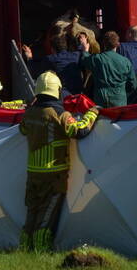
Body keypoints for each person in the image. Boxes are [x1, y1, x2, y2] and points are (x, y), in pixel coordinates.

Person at [19, 71, 100, 251]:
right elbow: (80, 131)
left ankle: (24, 249)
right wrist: (92, 113)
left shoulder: (29, 113)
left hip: (33, 173)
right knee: (46, 216)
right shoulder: (60, 114)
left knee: (32, 213)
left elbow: (23, 130)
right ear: (57, 90)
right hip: (53, 174)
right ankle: (41, 251)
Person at [80, 31, 137, 107]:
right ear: (118, 44)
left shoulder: (98, 59)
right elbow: (132, 84)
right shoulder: (126, 62)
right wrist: (121, 91)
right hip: (119, 100)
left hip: (101, 99)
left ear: (104, 44)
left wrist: (85, 49)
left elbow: (85, 60)